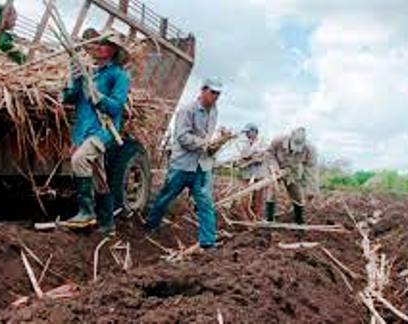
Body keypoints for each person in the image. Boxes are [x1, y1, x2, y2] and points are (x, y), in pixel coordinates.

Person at [62, 29, 131, 236]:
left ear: (113, 51)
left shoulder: (118, 75)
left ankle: (86, 212)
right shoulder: (88, 71)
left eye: (106, 44)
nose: (101, 46)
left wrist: (99, 97)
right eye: (99, 43)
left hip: (103, 130)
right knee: (99, 176)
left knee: (79, 160)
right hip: (84, 129)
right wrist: (72, 81)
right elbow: (69, 98)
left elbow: (117, 107)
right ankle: (108, 223)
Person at [145, 78, 224, 250]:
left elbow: (207, 138)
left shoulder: (214, 112)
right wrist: (204, 144)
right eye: (212, 92)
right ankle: (150, 225)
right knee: (166, 197)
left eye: (218, 94)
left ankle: (208, 242)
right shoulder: (187, 110)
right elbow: (182, 136)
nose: (215, 97)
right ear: (203, 90)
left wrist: (214, 146)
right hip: (182, 164)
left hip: (201, 166)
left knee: (205, 203)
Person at [266, 126, 319, 224]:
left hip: (293, 171)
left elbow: (311, 170)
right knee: (272, 191)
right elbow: (269, 154)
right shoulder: (278, 141)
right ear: (290, 138)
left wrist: (311, 190)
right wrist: (275, 167)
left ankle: (298, 220)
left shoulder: (309, 149)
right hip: (276, 168)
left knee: (297, 194)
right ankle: (269, 219)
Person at [236, 123, 268, 220]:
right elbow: (242, 157)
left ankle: (256, 218)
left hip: (259, 174)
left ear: (255, 132)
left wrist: (254, 156)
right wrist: (248, 157)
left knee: (258, 199)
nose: (247, 134)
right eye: (246, 132)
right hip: (246, 174)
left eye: (248, 132)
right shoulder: (244, 144)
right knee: (244, 198)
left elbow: (263, 156)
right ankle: (247, 219)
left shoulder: (262, 142)